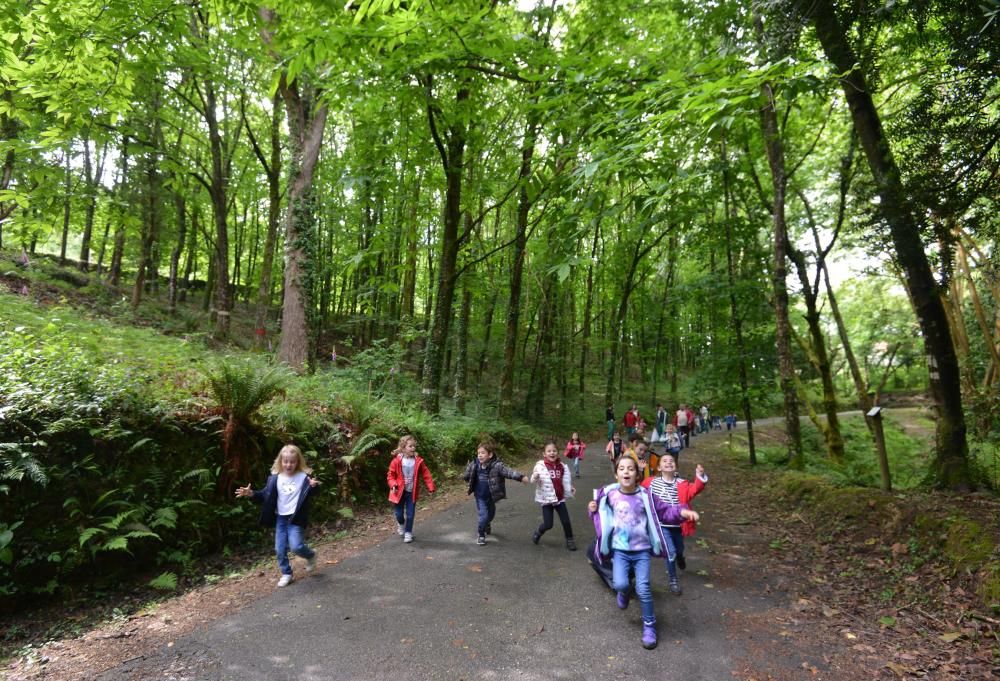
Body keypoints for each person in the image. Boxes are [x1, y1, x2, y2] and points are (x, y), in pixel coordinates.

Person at [588, 456, 698, 650]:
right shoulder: (610, 495)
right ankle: (623, 591)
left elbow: (665, 511)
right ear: (616, 474)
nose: (626, 472)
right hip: (620, 551)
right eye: (621, 468)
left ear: (637, 474)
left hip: (642, 552)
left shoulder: (645, 495)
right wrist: (592, 510)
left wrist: (682, 512)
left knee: (644, 589)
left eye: (630, 468)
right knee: (620, 583)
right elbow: (600, 516)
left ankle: (649, 626)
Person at [235, 444, 320, 587]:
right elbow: (264, 495)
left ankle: (311, 555)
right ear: (280, 462)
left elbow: (312, 492)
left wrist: (314, 486)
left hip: (296, 517)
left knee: (296, 547)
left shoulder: (303, 477)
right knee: (279, 549)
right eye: (286, 461)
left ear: (297, 462)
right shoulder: (275, 479)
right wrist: (251, 493)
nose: (289, 464)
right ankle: (286, 573)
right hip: (281, 518)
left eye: (292, 461)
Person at [643, 455, 708, 596]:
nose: (669, 463)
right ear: (659, 467)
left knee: (679, 548)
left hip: (678, 524)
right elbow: (638, 492)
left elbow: (695, 488)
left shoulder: (682, 483)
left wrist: (700, 476)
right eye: (665, 461)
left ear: (676, 466)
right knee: (670, 551)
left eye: (671, 461)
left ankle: (680, 557)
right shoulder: (650, 483)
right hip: (661, 525)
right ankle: (673, 580)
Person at [463, 441, 530, 546]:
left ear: (490, 455)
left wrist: (521, 477)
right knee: (483, 516)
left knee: (491, 515)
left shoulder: (497, 466)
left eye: (483, 453)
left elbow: (508, 472)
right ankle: (481, 535)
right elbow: (467, 473)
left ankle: (487, 523)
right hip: (479, 496)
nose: (480, 455)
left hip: (491, 496)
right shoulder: (474, 464)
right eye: (478, 453)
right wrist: (466, 477)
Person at [386, 434, 436, 543]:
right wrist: (393, 484)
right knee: (399, 514)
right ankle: (401, 524)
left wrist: (431, 486)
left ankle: (408, 532)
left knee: (410, 513)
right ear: (403, 448)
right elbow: (390, 475)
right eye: (410, 446)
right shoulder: (396, 461)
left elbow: (426, 474)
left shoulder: (418, 461)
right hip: (399, 492)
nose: (413, 448)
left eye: (414, 446)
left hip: (411, 492)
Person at [530, 440, 577, 550]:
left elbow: (564, 480)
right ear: (544, 454)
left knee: (566, 521)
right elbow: (533, 479)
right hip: (546, 499)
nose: (552, 453)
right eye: (549, 451)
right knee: (548, 524)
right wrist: (536, 477)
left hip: (559, 499)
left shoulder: (562, 466)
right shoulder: (540, 466)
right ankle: (538, 532)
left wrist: (569, 488)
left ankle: (570, 540)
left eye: (554, 451)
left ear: (558, 453)